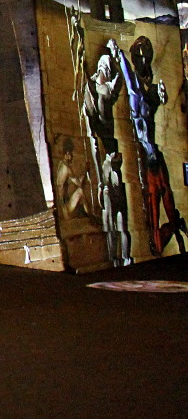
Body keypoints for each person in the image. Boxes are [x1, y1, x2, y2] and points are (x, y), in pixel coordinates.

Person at [111, 38, 187, 255]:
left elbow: (153, 94)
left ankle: (174, 226)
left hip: (154, 156)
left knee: (168, 207)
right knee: (156, 213)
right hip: (148, 158)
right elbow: (131, 80)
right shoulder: (138, 91)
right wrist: (120, 56)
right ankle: (171, 229)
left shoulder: (148, 91)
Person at [84, 51, 131, 265]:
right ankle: (114, 257)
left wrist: (117, 57)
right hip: (100, 144)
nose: (103, 71)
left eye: (106, 69)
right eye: (102, 68)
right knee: (106, 203)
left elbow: (120, 81)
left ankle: (124, 257)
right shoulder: (92, 88)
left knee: (116, 203)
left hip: (109, 148)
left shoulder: (107, 89)